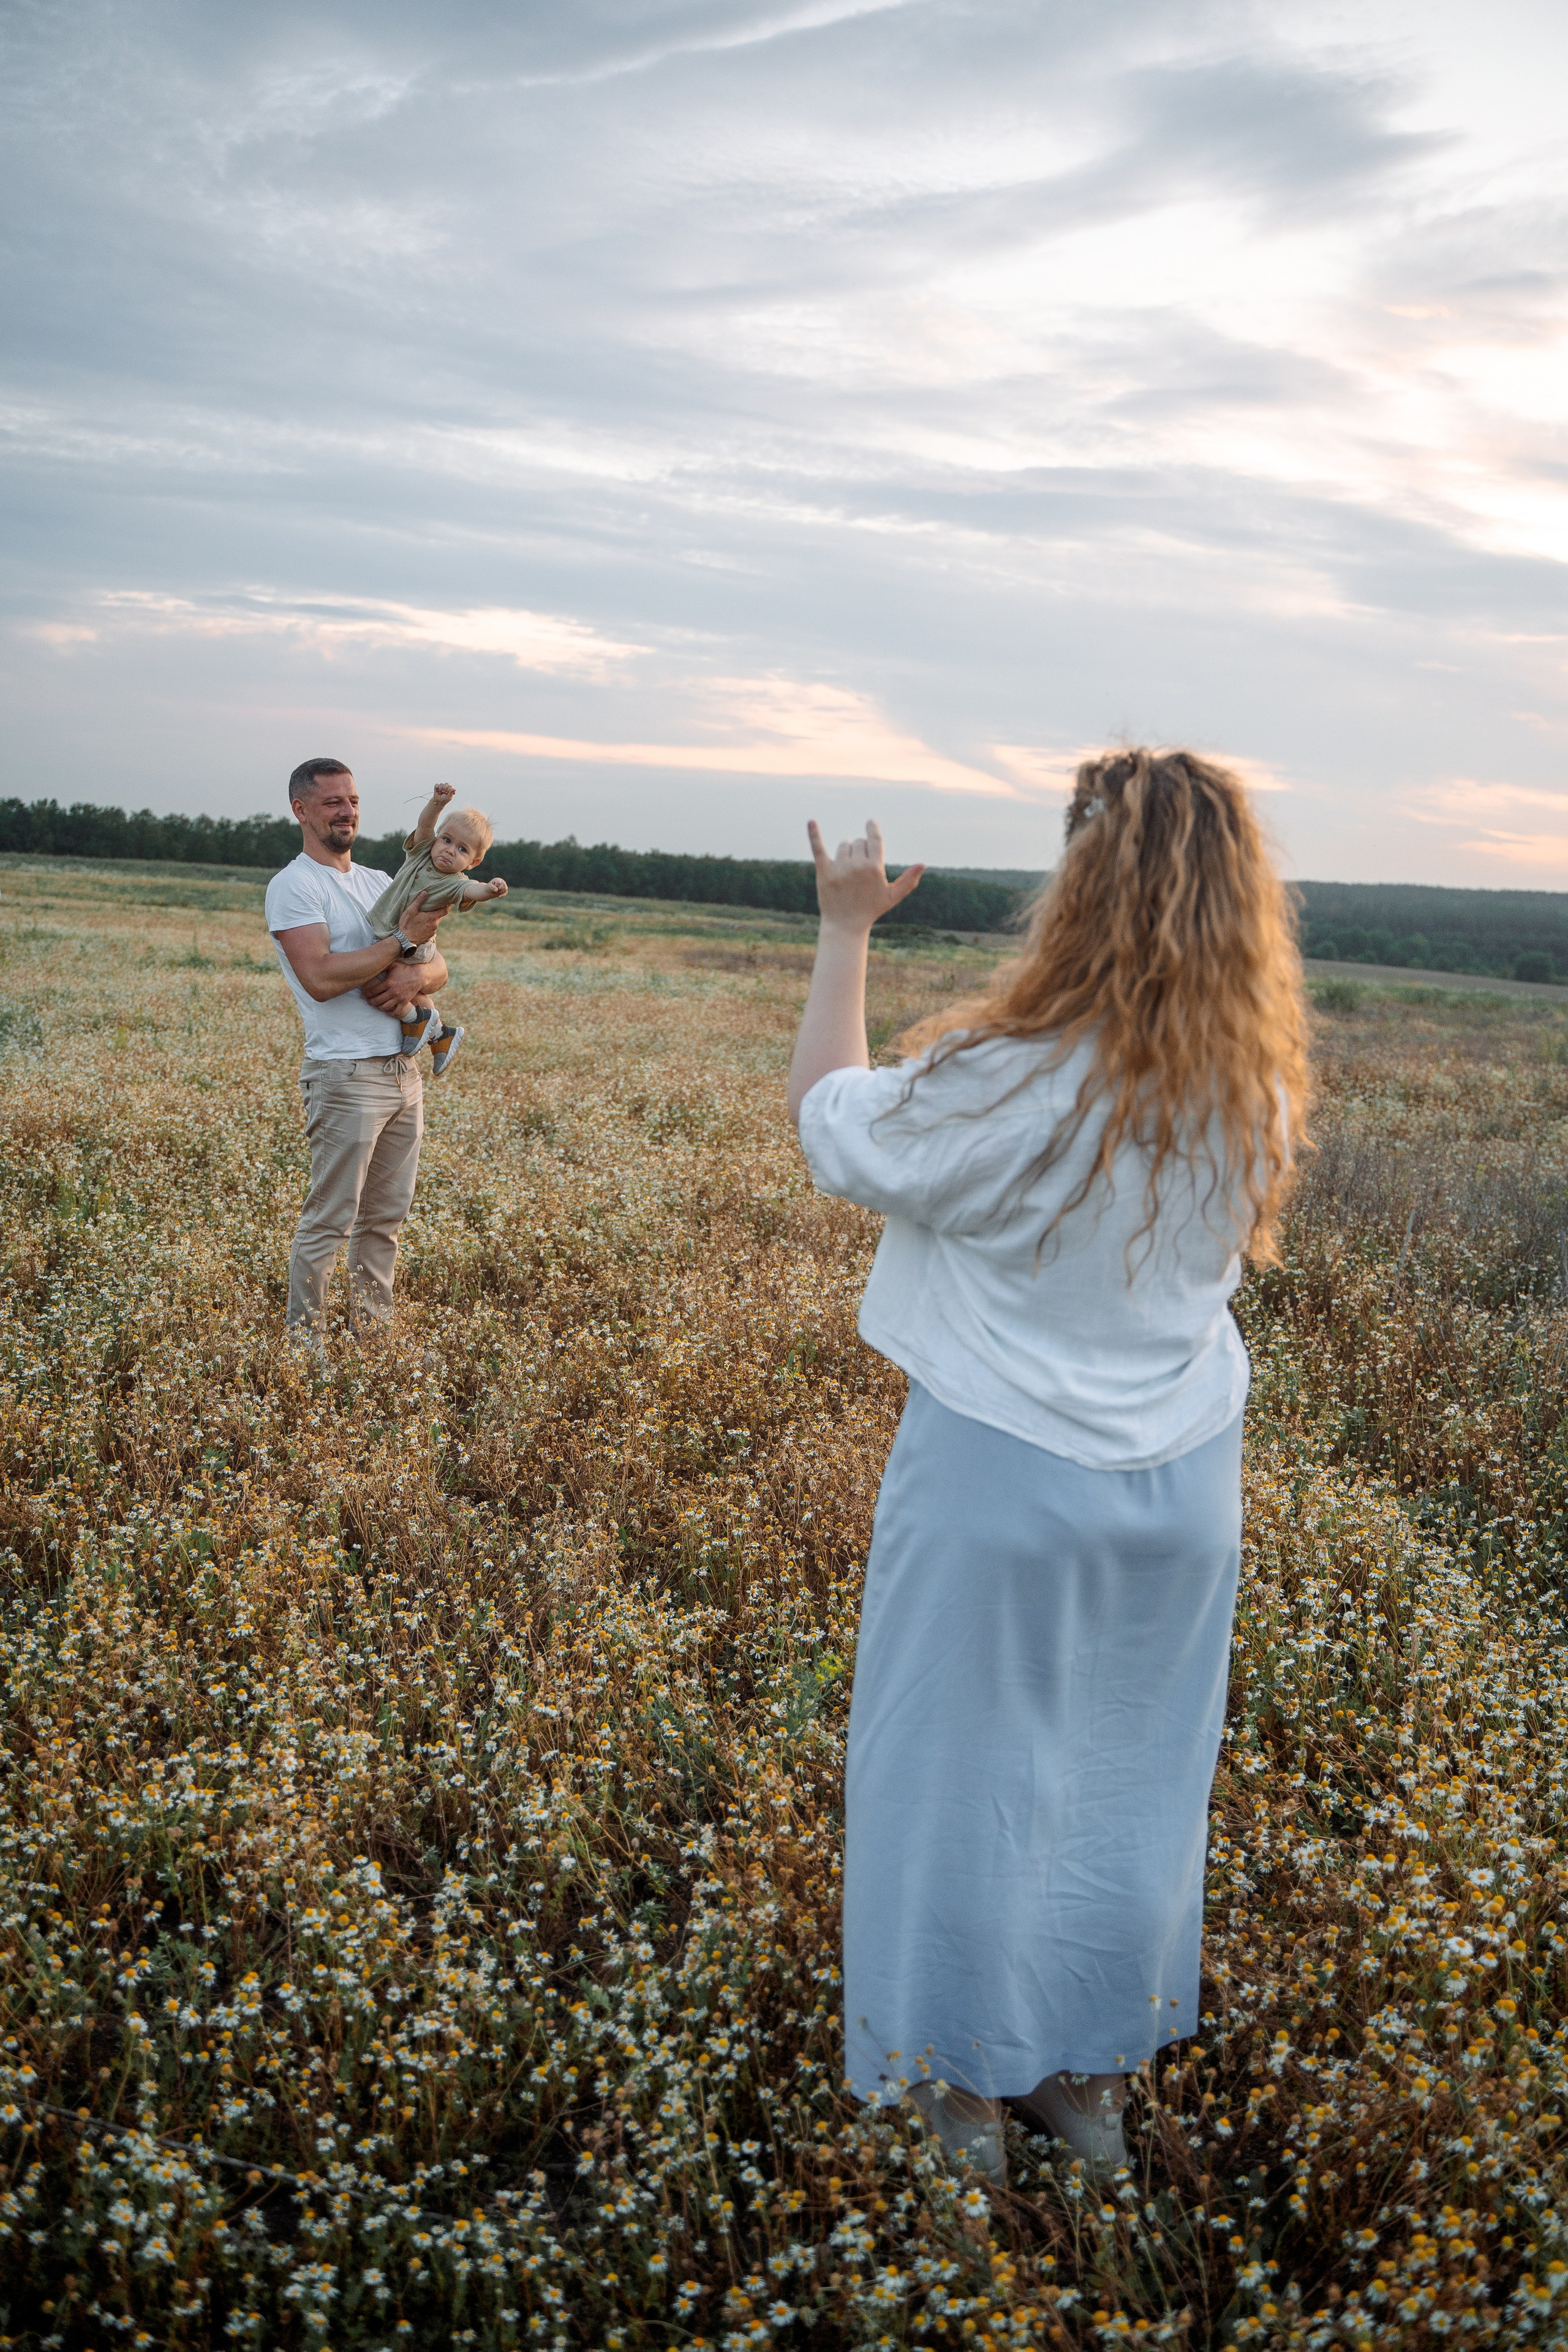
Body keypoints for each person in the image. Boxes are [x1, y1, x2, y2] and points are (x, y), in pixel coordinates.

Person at [788, 753, 1306, 2184]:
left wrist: (842, 929)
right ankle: (1082, 2086)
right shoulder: (1250, 1080)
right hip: (1182, 1485)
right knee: (1127, 1786)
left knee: (956, 1786)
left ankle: (957, 2103)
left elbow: (829, 1119)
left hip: (1002, 1479)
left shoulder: (1005, 1077)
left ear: (1081, 885)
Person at [265, 757, 453, 1339]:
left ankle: (371, 1337)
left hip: (402, 1071)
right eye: (331, 803)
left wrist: (411, 978)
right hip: (345, 1075)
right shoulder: (294, 885)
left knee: (385, 1220)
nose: (346, 812)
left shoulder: (379, 881)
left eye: (352, 801)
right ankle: (306, 1347)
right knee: (331, 1220)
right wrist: (400, 943)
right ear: (301, 810)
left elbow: (438, 964)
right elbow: (320, 978)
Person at [367, 781, 510, 1079]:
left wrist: (492, 888)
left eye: (462, 849)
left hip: (414, 947)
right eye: (446, 840)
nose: (448, 851)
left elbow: (474, 890)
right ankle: (441, 1033)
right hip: (395, 938)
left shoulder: (454, 882)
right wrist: (437, 803)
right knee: (403, 987)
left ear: (474, 861)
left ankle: (414, 1019)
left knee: (368, 977)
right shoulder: (419, 853)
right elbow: (425, 824)